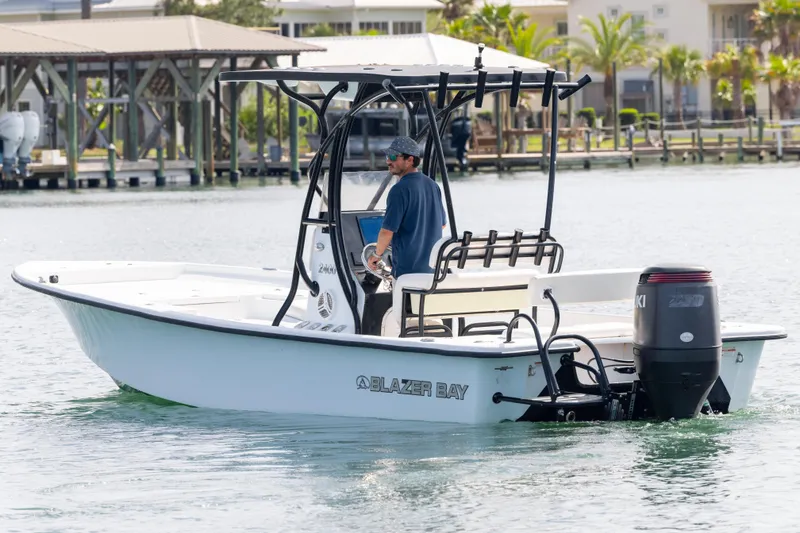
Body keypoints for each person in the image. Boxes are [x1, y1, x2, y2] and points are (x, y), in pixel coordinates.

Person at [368, 136, 447, 279]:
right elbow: (442, 224)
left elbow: (387, 232)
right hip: (432, 271)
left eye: (393, 157)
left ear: (410, 160)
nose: (388, 161)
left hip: (407, 272)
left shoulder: (399, 190)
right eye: (387, 156)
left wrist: (376, 255)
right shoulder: (433, 185)